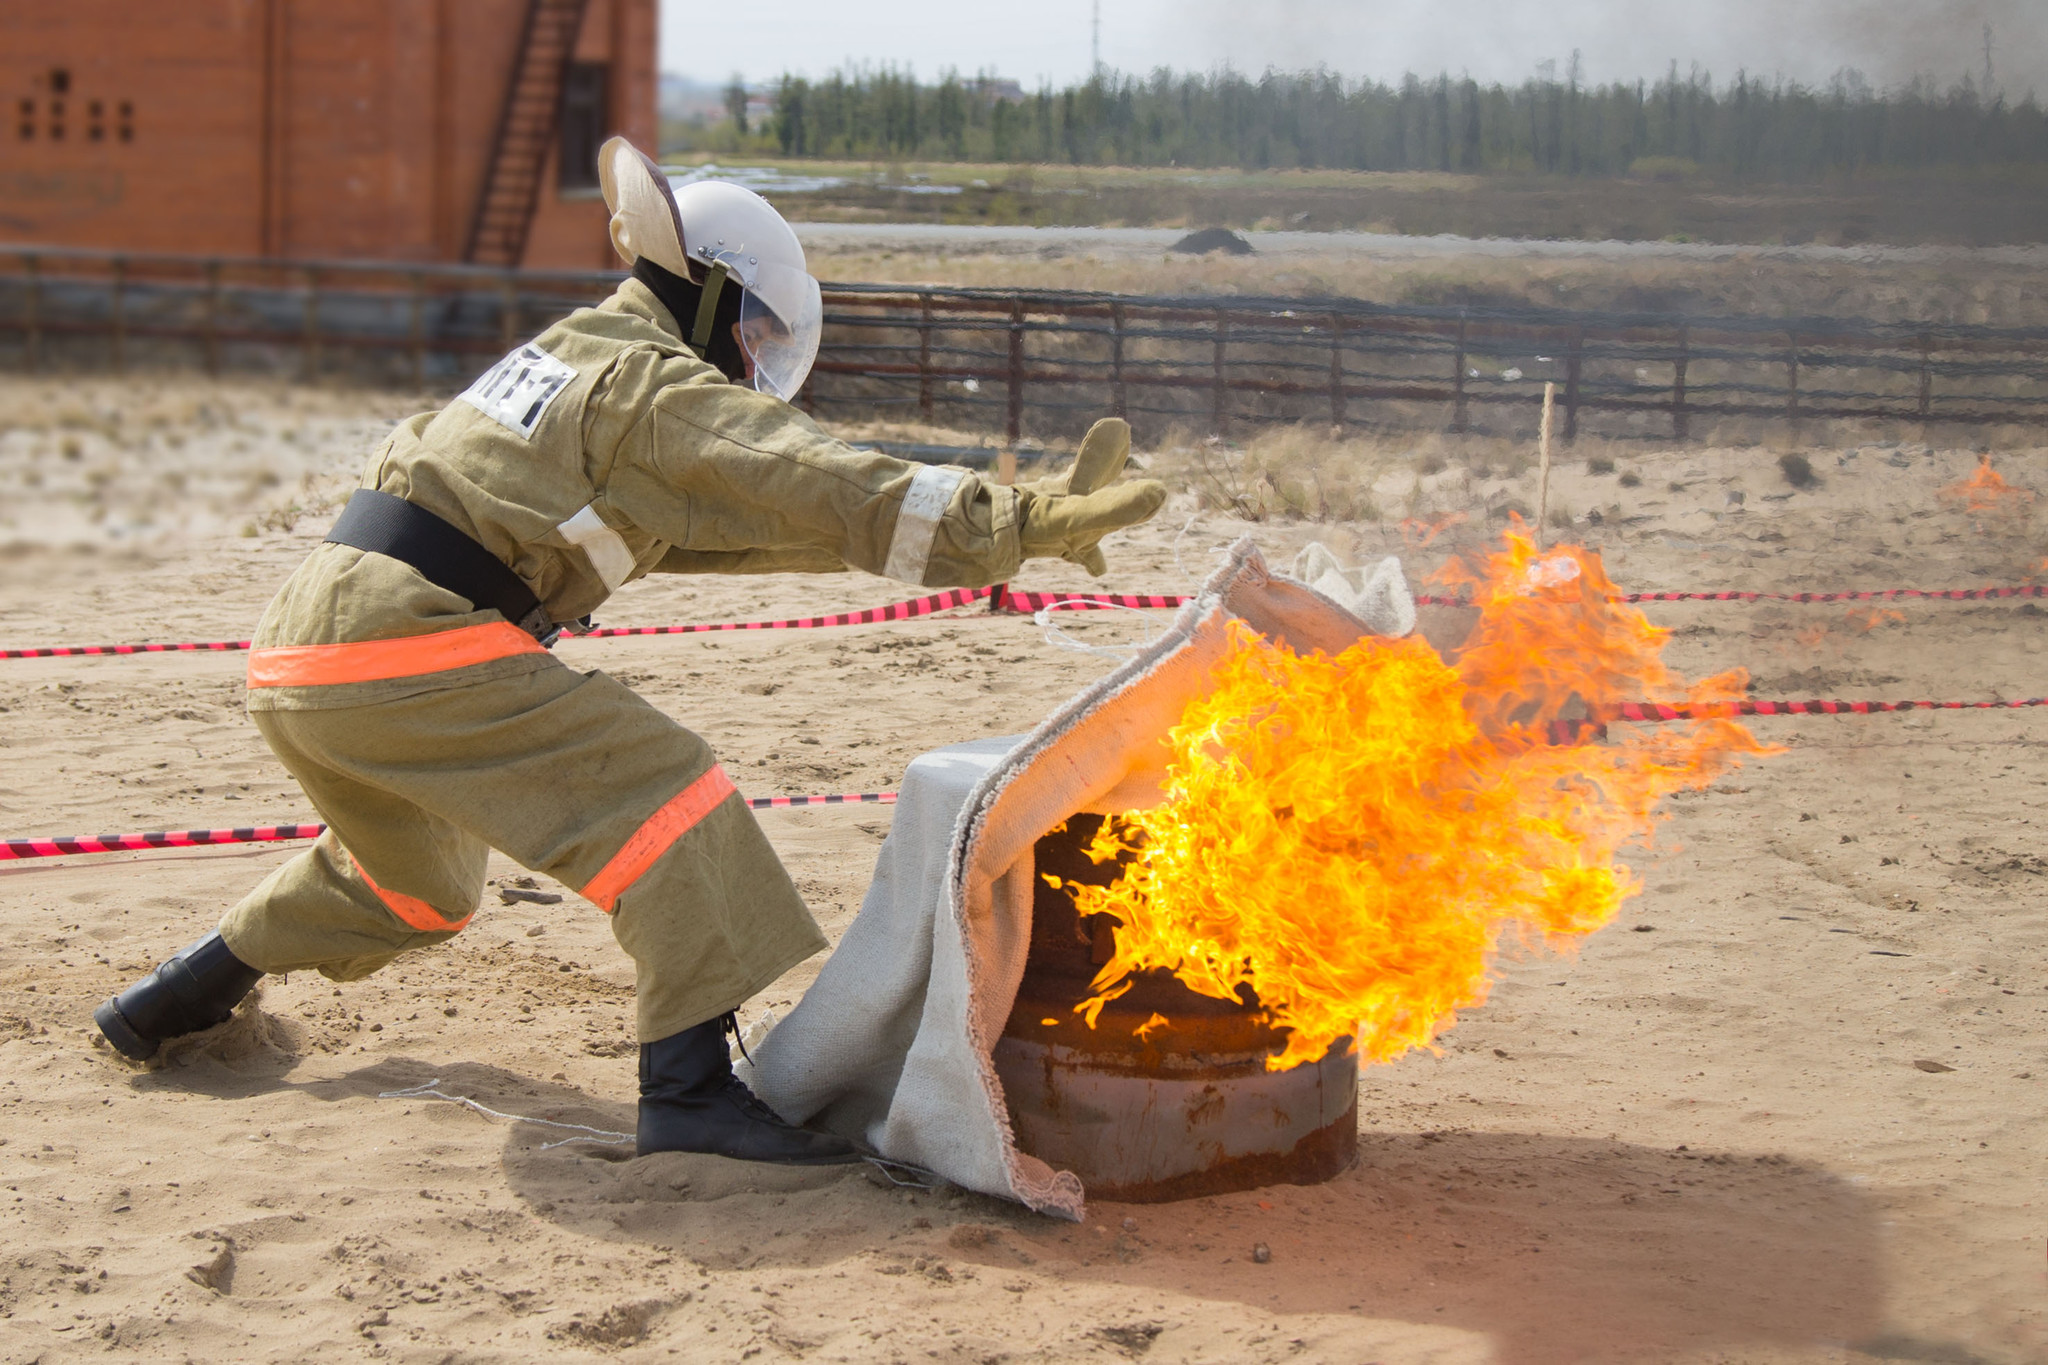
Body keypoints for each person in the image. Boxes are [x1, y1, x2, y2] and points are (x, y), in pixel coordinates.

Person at [93, 137, 1165, 1166]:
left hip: (309, 647)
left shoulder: (571, 362)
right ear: (709, 293)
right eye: (751, 331)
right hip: (407, 642)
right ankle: (691, 1093)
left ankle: (178, 996)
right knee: (660, 790)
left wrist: (989, 535)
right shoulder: (650, 383)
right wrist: (1013, 522)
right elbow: (817, 478)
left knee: (414, 888)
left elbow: (760, 525)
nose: (751, 360)